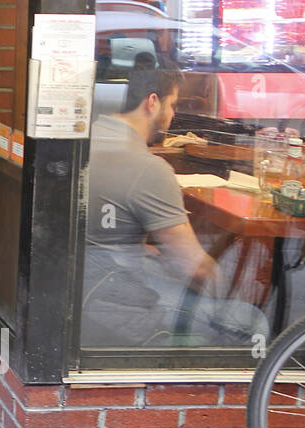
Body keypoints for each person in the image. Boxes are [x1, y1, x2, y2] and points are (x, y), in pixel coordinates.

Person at [82, 63, 268, 347]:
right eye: (173, 104)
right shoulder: (149, 168)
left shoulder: (86, 140)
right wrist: (229, 290)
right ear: (152, 102)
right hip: (116, 304)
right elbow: (195, 271)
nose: (173, 114)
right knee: (251, 321)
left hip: (86, 284)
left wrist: (132, 248)